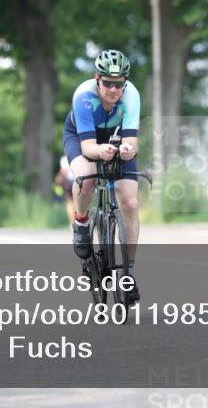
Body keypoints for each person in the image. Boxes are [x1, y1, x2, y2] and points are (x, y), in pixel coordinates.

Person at [64, 49, 141, 303]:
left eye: (119, 84)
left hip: (114, 138)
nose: (113, 89)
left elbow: (131, 142)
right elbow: (88, 149)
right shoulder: (84, 96)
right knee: (85, 179)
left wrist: (127, 150)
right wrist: (100, 151)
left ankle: (128, 272)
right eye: (107, 83)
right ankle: (82, 221)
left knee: (130, 202)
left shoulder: (131, 96)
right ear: (97, 78)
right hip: (83, 137)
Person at [52, 155, 76, 223]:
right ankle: (80, 220)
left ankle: (72, 222)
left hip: (69, 181)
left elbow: (64, 171)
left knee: (70, 202)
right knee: (78, 201)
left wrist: (58, 179)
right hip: (78, 179)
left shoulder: (64, 159)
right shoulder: (78, 155)